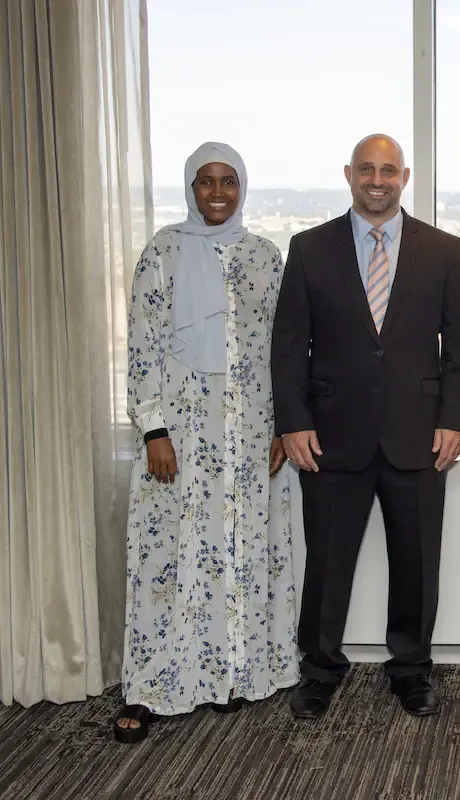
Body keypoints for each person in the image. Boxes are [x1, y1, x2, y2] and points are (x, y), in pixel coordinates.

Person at [271, 134, 460, 719]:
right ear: (349, 174)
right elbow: (289, 349)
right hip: (330, 437)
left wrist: (455, 420)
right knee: (328, 561)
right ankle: (319, 668)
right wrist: (294, 423)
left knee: (416, 564)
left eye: (388, 170)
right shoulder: (310, 248)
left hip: (420, 435)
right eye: (367, 169)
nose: (377, 180)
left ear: (405, 177)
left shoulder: (441, 249)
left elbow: (459, 346)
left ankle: (411, 669)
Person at [115, 143, 297, 743]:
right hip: (180, 436)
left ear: (243, 187)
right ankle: (154, 683)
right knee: (170, 557)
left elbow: (285, 350)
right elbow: (142, 344)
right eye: (204, 182)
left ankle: (227, 676)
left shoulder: (265, 256)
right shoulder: (162, 253)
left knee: (239, 551)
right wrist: (154, 431)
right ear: (189, 188)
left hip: (247, 436)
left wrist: (280, 426)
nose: (217, 193)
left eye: (228, 182)